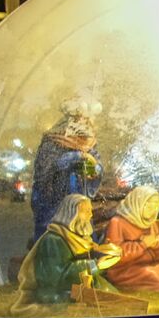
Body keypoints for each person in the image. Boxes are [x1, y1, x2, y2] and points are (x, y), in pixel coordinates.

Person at [14, 194, 121, 311]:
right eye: (85, 211)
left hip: (85, 285)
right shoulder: (53, 240)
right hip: (60, 291)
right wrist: (94, 265)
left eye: (90, 211)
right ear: (72, 214)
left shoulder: (80, 237)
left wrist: (105, 253)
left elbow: (87, 256)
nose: (90, 216)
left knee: (114, 298)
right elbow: (55, 277)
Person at [31, 98, 103, 240]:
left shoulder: (88, 142)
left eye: (85, 120)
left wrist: (93, 168)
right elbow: (46, 169)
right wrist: (75, 156)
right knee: (55, 233)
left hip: (79, 195)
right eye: (78, 120)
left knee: (82, 228)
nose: (83, 123)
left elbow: (95, 169)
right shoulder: (52, 141)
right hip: (55, 197)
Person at [103, 186, 159, 292]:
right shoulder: (117, 222)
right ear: (137, 204)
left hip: (148, 264)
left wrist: (157, 244)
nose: (153, 211)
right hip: (125, 269)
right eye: (149, 207)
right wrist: (142, 245)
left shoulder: (150, 223)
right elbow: (115, 253)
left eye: (155, 208)